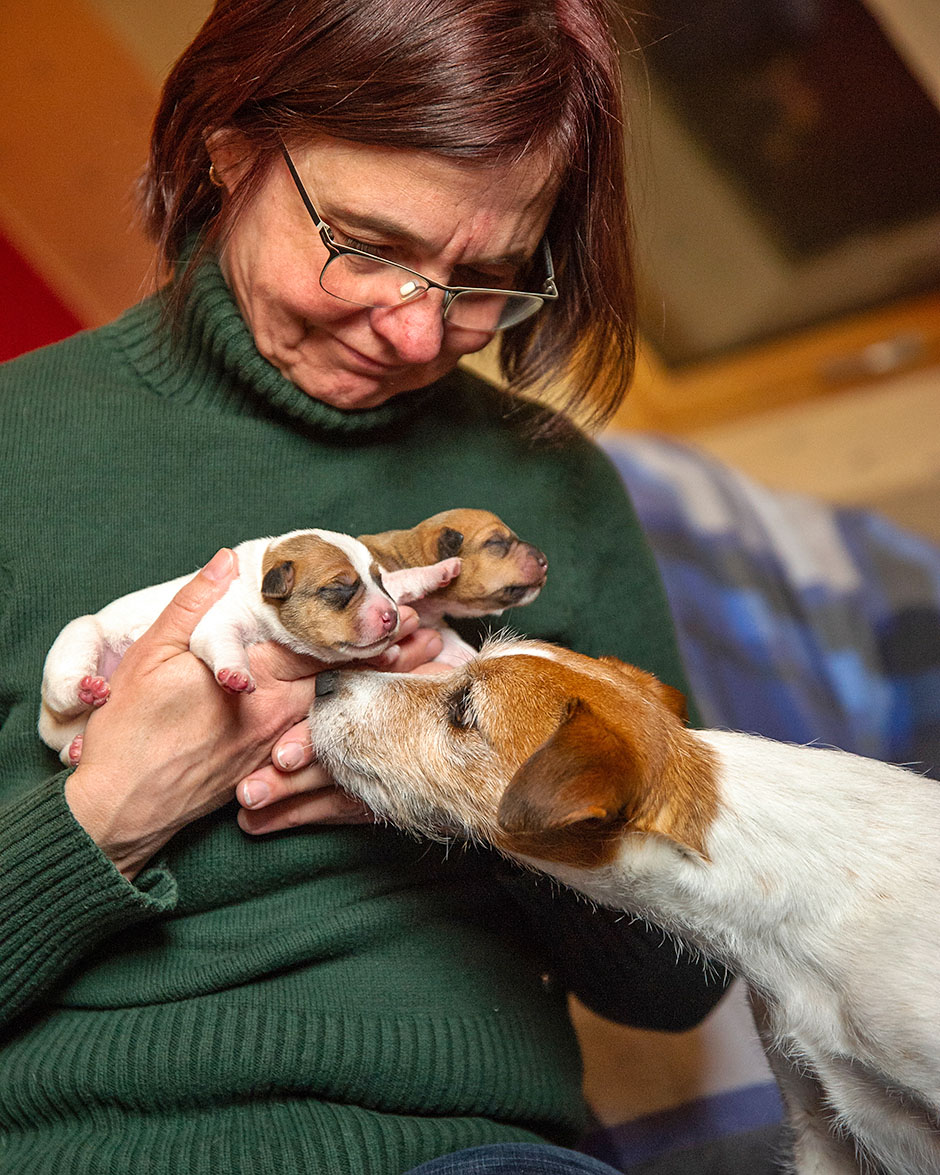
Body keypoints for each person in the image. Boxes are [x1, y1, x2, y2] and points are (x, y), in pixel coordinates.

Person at [0, 1, 730, 1172]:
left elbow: (677, 982)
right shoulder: (19, 454)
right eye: (364, 243)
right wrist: (115, 807)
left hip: (465, 1147)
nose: (414, 330)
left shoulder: (539, 493)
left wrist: (473, 796)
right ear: (226, 150)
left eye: (488, 278)